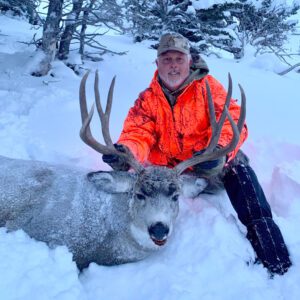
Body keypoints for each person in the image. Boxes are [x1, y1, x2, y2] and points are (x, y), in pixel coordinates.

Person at [102, 32, 292, 275]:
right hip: (170, 175)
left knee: (240, 168)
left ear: (189, 61)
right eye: (166, 59)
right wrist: (126, 151)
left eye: (179, 59)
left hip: (207, 164)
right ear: (157, 63)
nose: (173, 65)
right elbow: (138, 133)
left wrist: (216, 153)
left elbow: (232, 122)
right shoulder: (147, 99)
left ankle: (269, 245)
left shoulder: (209, 88)